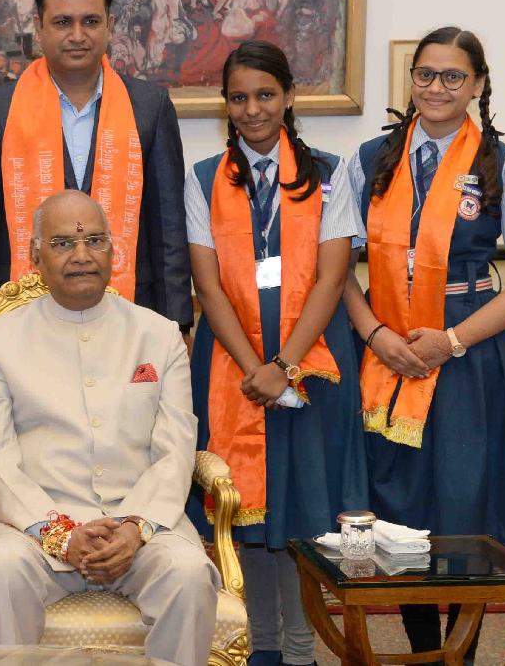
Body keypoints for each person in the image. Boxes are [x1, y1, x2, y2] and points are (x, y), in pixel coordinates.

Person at [344, 27, 505, 661]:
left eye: (453, 76)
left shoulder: (504, 165)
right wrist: (375, 333)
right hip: (388, 352)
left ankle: (460, 654)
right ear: (411, 80)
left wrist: (453, 341)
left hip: (468, 353)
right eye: (426, 74)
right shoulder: (369, 160)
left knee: (467, 504)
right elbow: (334, 271)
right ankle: (422, 649)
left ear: (478, 84)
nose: (437, 87)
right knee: (398, 505)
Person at [0, 190, 220, 666]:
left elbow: (176, 451)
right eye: (62, 243)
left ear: (112, 251)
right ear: (35, 256)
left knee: (187, 574)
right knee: (0, 570)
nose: (81, 255)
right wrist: (60, 534)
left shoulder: (159, 335)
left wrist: (135, 527)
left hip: (142, 527)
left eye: (94, 240)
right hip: (31, 530)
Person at [185, 41, 367, 666]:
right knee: (249, 512)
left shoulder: (332, 171)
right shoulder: (203, 178)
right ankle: (261, 645)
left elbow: (332, 276)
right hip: (231, 361)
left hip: (312, 360)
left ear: (289, 96)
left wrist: (284, 365)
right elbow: (208, 285)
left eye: (266, 95)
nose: (253, 109)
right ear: (226, 105)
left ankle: (300, 649)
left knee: (303, 509)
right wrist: (253, 368)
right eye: (239, 98)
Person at [0, 0, 191, 332]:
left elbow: (169, 229)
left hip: (131, 312)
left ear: (110, 25)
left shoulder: (149, 106)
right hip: (22, 316)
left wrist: (178, 323)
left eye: (90, 21)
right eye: (63, 22)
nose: (78, 35)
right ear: (39, 27)